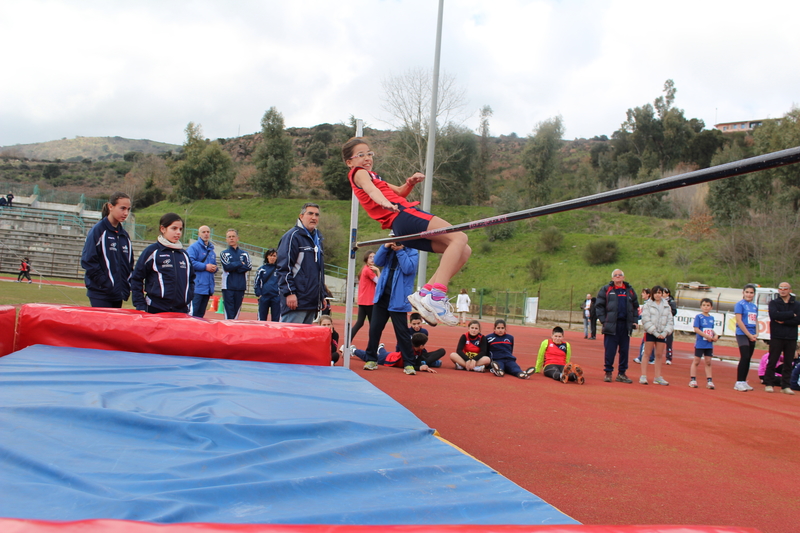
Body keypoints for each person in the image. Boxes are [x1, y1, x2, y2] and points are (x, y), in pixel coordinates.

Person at [343, 138, 470, 327]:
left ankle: (424, 294)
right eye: (360, 155)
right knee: (460, 236)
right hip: (404, 215)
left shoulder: (374, 176)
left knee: (464, 250)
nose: (367, 158)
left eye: (369, 153)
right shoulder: (359, 173)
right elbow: (371, 192)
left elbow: (399, 192)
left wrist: (409, 183)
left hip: (402, 222)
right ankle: (437, 295)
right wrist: (384, 202)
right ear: (350, 162)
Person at [360, 240, 419, 375]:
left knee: (402, 333)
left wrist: (400, 251)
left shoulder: (413, 252)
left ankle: (409, 363)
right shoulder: (388, 250)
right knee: (374, 329)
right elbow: (379, 262)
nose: (395, 242)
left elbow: (408, 268)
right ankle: (371, 359)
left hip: (398, 300)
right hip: (382, 297)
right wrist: (385, 247)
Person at [130, 213, 195, 314]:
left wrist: (188, 298)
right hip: (155, 309)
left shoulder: (184, 255)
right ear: (163, 229)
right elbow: (136, 278)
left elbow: (191, 280)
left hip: (180, 311)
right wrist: (140, 304)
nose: (178, 232)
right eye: (174, 228)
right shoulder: (152, 251)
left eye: (180, 229)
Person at [81, 192, 134, 308]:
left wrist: (125, 285)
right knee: (101, 326)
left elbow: (129, 264)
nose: (126, 213)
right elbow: (88, 261)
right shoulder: (98, 231)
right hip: (101, 294)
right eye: (122, 208)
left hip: (118, 294)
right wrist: (106, 284)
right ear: (111, 207)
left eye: (128, 209)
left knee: (115, 326)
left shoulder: (124, 235)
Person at [277, 203, 326, 324]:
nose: (314, 217)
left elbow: (319, 271)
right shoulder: (292, 237)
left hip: (311, 301)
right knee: (289, 339)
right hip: (296, 301)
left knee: (302, 341)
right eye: (310, 213)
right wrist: (289, 293)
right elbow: (284, 268)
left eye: (317, 215)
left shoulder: (318, 239)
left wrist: (321, 295)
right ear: (301, 216)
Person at [596, 269, 638, 383]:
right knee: (610, 350)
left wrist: (634, 321)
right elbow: (599, 305)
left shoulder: (630, 290)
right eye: (616, 275)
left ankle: (622, 373)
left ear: (623, 277)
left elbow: (635, 306)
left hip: (625, 325)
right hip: (611, 325)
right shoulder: (606, 289)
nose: (618, 277)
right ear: (612, 278)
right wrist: (604, 320)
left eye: (620, 275)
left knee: (624, 350)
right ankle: (608, 372)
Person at [765, 282, 800, 394]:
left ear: (790, 290)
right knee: (772, 360)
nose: (783, 290)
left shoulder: (797, 304)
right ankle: (769, 383)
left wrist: (784, 320)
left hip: (791, 336)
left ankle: (786, 386)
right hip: (776, 336)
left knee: (789, 362)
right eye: (780, 288)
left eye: (785, 288)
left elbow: (798, 319)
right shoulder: (774, 303)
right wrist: (791, 314)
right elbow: (774, 316)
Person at [639, 285, 673, 386]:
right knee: (647, 354)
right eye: (656, 293)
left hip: (662, 334)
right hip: (650, 333)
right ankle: (643, 376)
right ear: (653, 294)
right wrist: (655, 332)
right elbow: (645, 319)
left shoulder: (667, 306)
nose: (658, 295)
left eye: (660, 293)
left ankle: (657, 377)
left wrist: (665, 332)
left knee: (659, 355)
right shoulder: (648, 305)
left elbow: (670, 321)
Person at [219, 229, 252, 320]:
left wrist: (233, 266)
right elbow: (227, 267)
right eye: (229, 237)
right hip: (228, 287)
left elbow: (248, 266)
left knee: (236, 312)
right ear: (226, 239)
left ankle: (234, 331)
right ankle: (227, 331)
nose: (231, 238)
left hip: (240, 286)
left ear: (237, 238)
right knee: (229, 313)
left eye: (233, 236)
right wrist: (240, 263)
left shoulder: (244, 254)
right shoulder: (224, 253)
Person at [187, 225, 217, 317]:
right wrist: (205, 267)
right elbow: (190, 262)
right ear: (199, 234)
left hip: (207, 288)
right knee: (193, 314)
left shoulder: (211, 250)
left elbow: (213, 264)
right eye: (203, 232)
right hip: (197, 287)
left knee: (201, 314)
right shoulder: (194, 248)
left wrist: (214, 268)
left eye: (208, 232)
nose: (206, 234)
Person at [733, 284, 759, 392]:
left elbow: (756, 320)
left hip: (752, 334)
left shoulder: (754, 306)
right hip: (742, 334)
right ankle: (738, 382)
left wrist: (757, 333)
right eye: (747, 292)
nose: (749, 294)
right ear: (743, 293)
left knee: (748, 358)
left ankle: (744, 381)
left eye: (751, 292)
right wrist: (748, 334)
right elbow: (739, 321)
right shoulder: (740, 305)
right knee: (745, 356)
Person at [350, 250, 379, 340]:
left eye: (374, 257)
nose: (372, 259)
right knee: (373, 324)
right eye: (370, 257)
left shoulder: (364, 269)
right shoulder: (368, 270)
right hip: (369, 301)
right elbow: (379, 282)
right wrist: (378, 270)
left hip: (363, 300)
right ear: (366, 259)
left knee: (360, 322)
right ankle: (373, 345)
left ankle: (347, 341)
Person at [690, 298, 718, 389]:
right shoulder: (699, 317)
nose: (706, 307)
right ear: (701, 306)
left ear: (711, 307)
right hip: (700, 343)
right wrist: (706, 336)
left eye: (708, 305)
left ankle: (709, 380)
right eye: (704, 305)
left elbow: (711, 329)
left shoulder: (711, 318)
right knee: (696, 361)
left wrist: (715, 335)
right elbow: (696, 329)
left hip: (709, 344)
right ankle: (693, 379)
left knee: (708, 361)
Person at [253, 248, 280, 322]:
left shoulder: (279, 270)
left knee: (276, 320)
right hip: (264, 297)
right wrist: (259, 294)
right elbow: (256, 282)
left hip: (276, 297)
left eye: (274, 256)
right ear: (267, 257)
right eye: (270, 255)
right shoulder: (261, 269)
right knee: (261, 319)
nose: (272, 258)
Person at [633, 288, 652, 364]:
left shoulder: (649, 304)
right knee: (650, 342)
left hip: (649, 326)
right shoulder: (647, 303)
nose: (642, 294)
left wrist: (636, 318)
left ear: (648, 294)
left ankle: (641, 358)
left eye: (644, 293)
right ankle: (651, 358)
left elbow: (644, 315)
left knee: (645, 342)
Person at [663, 287, 677, 364]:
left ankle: (669, 357)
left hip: (668, 324)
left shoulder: (671, 302)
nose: (662, 295)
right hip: (660, 324)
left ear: (668, 294)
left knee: (669, 342)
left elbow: (674, 312)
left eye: (664, 293)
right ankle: (653, 357)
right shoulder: (659, 301)